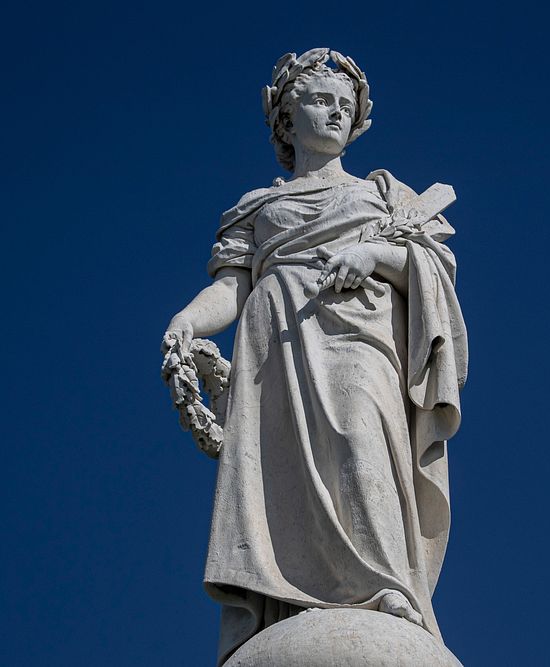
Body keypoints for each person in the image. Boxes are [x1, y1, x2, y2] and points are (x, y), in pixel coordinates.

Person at [162, 48, 468, 664]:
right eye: (321, 100)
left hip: (357, 334)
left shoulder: (384, 195)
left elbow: (433, 264)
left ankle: (385, 583)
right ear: (286, 116)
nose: (336, 112)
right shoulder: (258, 208)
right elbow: (232, 288)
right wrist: (186, 322)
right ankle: (289, 598)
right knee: (277, 471)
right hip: (272, 347)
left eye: (346, 106)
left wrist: (374, 256)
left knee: (362, 440)